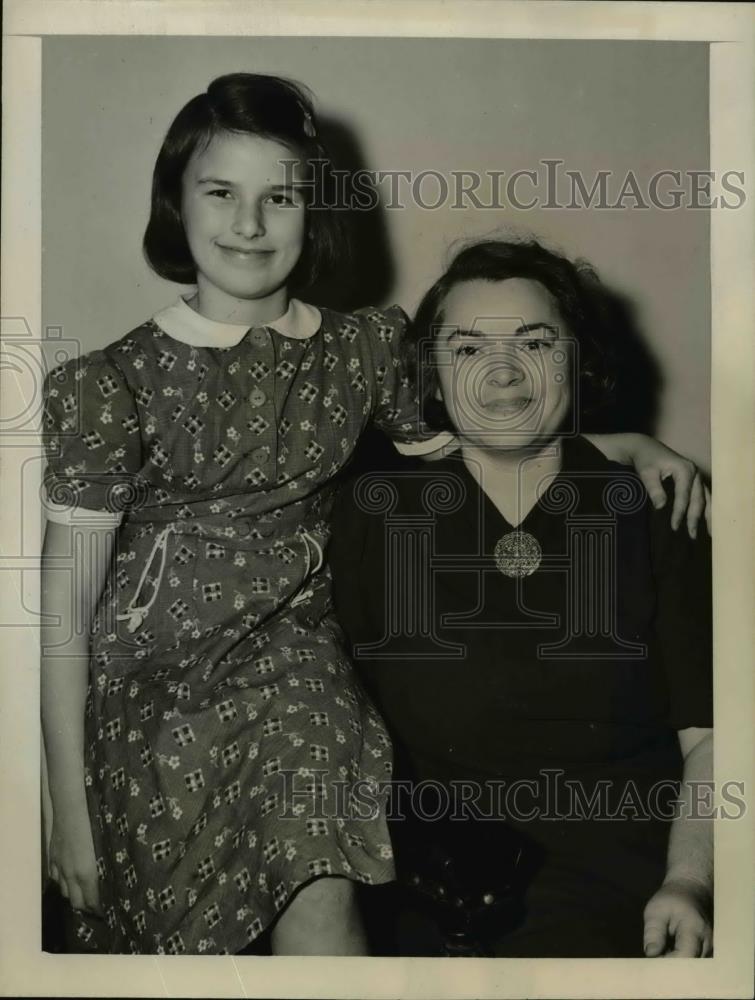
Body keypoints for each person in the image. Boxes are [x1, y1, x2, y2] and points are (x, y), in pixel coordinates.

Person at [41, 74, 707, 957]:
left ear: (315, 215)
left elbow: (481, 426)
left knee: (319, 811)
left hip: (293, 674)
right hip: (152, 683)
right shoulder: (111, 385)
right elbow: (59, 616)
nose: (249, 223)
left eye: (279, 197)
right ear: (176, 204)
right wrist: (62, 810)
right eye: (221, 193)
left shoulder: (361, 353)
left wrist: (622, 445)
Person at [329, 237, 713, 958]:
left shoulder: (656, 509)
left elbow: (711, 737)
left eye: (534, 343)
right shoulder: (371, 513)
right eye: (468, 349)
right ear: (432, 377)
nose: (502, 371)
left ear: (578, 361)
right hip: (432, 886)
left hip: (619, 884)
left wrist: (688, 882)